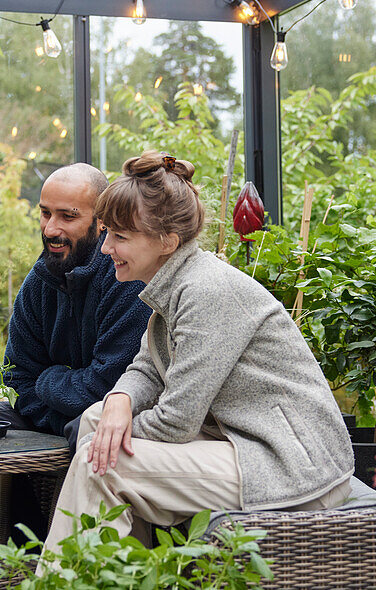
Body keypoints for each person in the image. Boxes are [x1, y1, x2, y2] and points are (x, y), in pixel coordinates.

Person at [43, 151, 354, 552]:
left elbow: (176, 424)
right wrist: (119, 400)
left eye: (120, 237)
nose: (105, 249)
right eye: (107, 234)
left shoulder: (206, 291)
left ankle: (70, 578)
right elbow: (147, 368)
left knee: (98, 462)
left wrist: (112, 433)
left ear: (166, 241)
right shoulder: (175, 281)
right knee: (95, 418)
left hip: (287, 465)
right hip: (240, 440)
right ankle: (125, 574)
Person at [0, 163, 151, 542]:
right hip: (60, 415)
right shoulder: (38, 284)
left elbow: (110, 384)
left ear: (102, 222)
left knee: (88, 422)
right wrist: (56, 401)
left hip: (116, 418)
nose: (51, 228)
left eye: (68, 216)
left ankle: (74, 554)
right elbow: (18, 378)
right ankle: (21, 554)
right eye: (45, 213)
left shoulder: (125, 278)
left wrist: (50, 379)